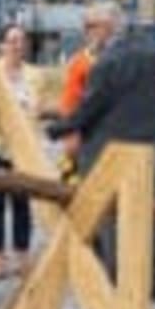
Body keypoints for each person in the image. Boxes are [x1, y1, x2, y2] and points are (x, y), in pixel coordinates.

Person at [46, 0, 155, 303]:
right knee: (153, 217)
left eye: (89, 26)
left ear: (107, 26)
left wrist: (57, 129)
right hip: (149, 150)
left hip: (109, 155)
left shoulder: (106, 62)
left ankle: (118, 286)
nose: (85, 33)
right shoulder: (148, 56)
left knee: (109, 217)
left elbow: (89, 108)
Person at [0, 24, 42, 279]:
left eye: (21, 40)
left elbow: (36, 111)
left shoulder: (35, 75)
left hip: (22, 148)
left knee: (22, 203)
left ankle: (22, 254)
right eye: (12, 40)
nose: (17, 45)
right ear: (2, 45)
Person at [56, 9, 107, 181]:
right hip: (85, 135)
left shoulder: (116, 59)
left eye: (97, 27)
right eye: (89, 27)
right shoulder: (78, 62)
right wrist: (70, 133)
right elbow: (69, 102)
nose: (93, 32)